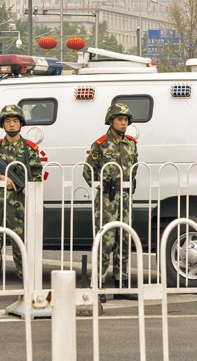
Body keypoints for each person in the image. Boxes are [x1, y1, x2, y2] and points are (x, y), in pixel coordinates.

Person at [0, 105, 43, 302]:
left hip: (20, 205)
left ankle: (26, 286)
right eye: (7, 121)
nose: (11, 124)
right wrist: (2, 177)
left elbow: (37, 175)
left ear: (21, 123)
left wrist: (26, 185)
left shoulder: (29, 149)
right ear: (3, 124)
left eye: (15, 121)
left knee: (20, 244)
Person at [83, 103, 139, 302]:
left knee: (124, 240)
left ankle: (122, 285)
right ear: (110, 121)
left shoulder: (131, 143)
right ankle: (98, 285)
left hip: (124, 196)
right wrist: (100, 185)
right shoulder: (100, 144)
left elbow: (135, 167)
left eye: (126, 120)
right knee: (105, 241)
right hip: (107, 198)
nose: (124, 124)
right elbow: (87, 171)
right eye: (120, 120)